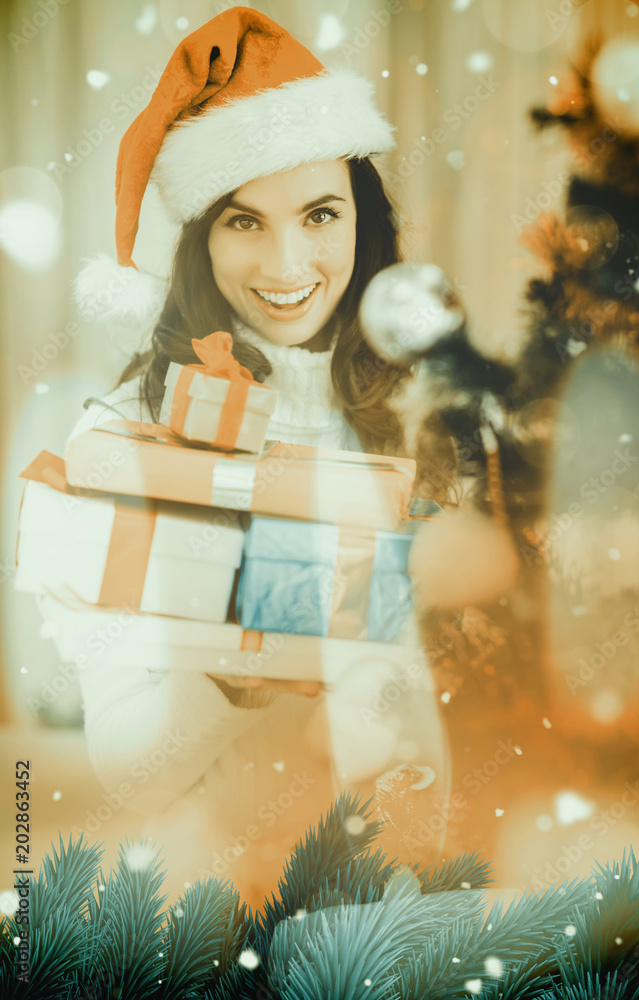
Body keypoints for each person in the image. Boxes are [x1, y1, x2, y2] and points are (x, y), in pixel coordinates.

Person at [66, 7, 450, 903]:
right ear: (200, 234)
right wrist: (252, 662)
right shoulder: (126, 438)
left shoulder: (425, 415)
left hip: (414, 906)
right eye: (244, 221)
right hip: (210, 915)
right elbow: (131, 767)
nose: (287, 262)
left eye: (319, 213)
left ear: (363, 219)